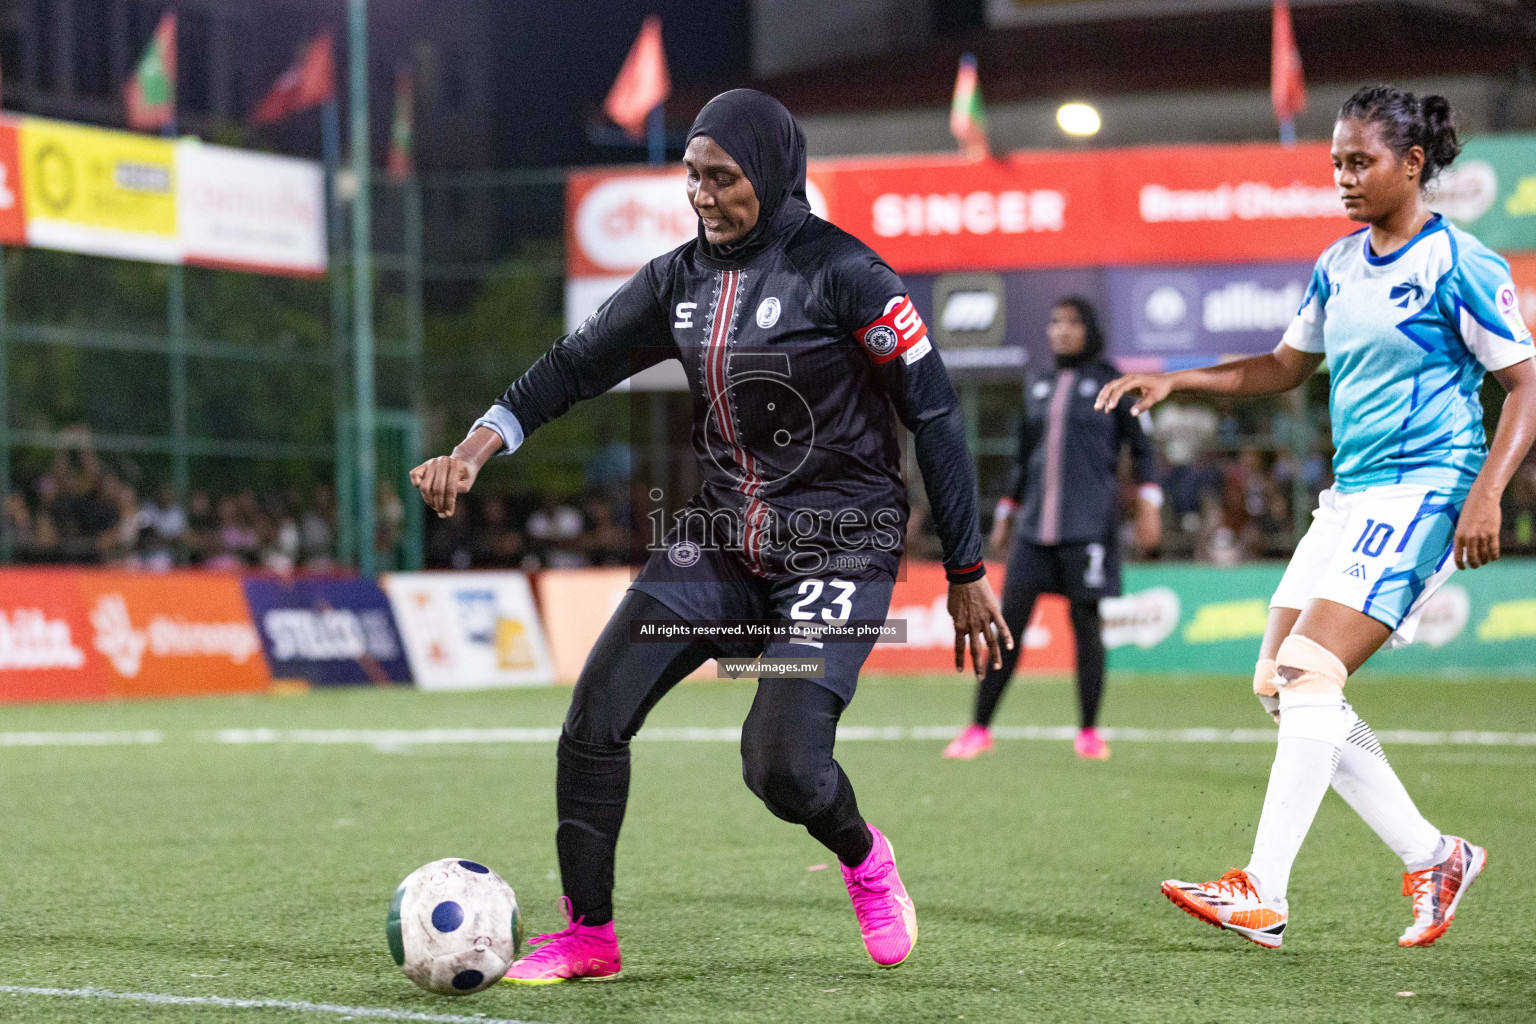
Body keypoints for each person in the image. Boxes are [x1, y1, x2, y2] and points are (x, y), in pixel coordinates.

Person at [410, 89, 1010, 980]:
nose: (703, 194)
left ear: (768, 173)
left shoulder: (848, 274)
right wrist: (475, 446)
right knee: (594, 717)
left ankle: (864, 857)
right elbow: (571, 368)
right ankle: (590, 936)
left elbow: (936, 416)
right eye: (692, 176)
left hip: (841, 548)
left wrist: (965, 567)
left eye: (723, 178)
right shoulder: (674, 281)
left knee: (780, 767)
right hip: (722, 541)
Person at [1096, 85, 1535, 949]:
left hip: (1428, 491)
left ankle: (1262, 888)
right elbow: (1283, 368)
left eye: (1360, 161)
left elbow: (1525, 385)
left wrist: (1487, 492)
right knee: (1280, 688)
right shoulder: (1336, 265)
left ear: (1413, 165)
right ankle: (1434, 854)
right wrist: (1177, 377)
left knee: (1308, 675)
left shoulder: (1462, 264)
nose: (1342, 176)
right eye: (1335, 161)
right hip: (1351, 498)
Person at [944, 298, 1161, 761]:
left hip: (1088, 532)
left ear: (1090, 330)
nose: (1060, 331)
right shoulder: (1038, 384)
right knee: (1006, 630)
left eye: (1072, 323)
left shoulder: (1112, 383)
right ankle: (978, 729)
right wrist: (1006, 511)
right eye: (1055, 321)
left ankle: (1088, 732)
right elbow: (1022, 458)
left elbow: (1143, 452)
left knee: (1087, 629)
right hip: (1032, 533)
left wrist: (1149, 503)